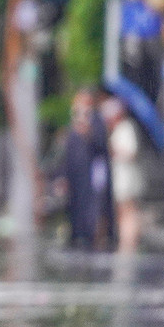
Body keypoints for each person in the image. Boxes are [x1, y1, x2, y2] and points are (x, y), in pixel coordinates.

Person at [50, 89, 110, 249]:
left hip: (91, 177)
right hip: (74, 177)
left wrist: (87, 130)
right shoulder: (71, 126)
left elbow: (101, 146)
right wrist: (61, 177)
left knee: (92, 211)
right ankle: (76, 237)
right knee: (74, 210)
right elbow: (65, 156)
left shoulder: (97, 121)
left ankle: (93, 238)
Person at [101, 95, 143, 253]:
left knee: (128, 209)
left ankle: (129, 240)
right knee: (122, 209)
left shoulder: (126, 128)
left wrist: (113, 151)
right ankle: (126, 239)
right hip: (120, 176)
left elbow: (131, 152)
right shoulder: (117, 129)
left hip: (126, 176)